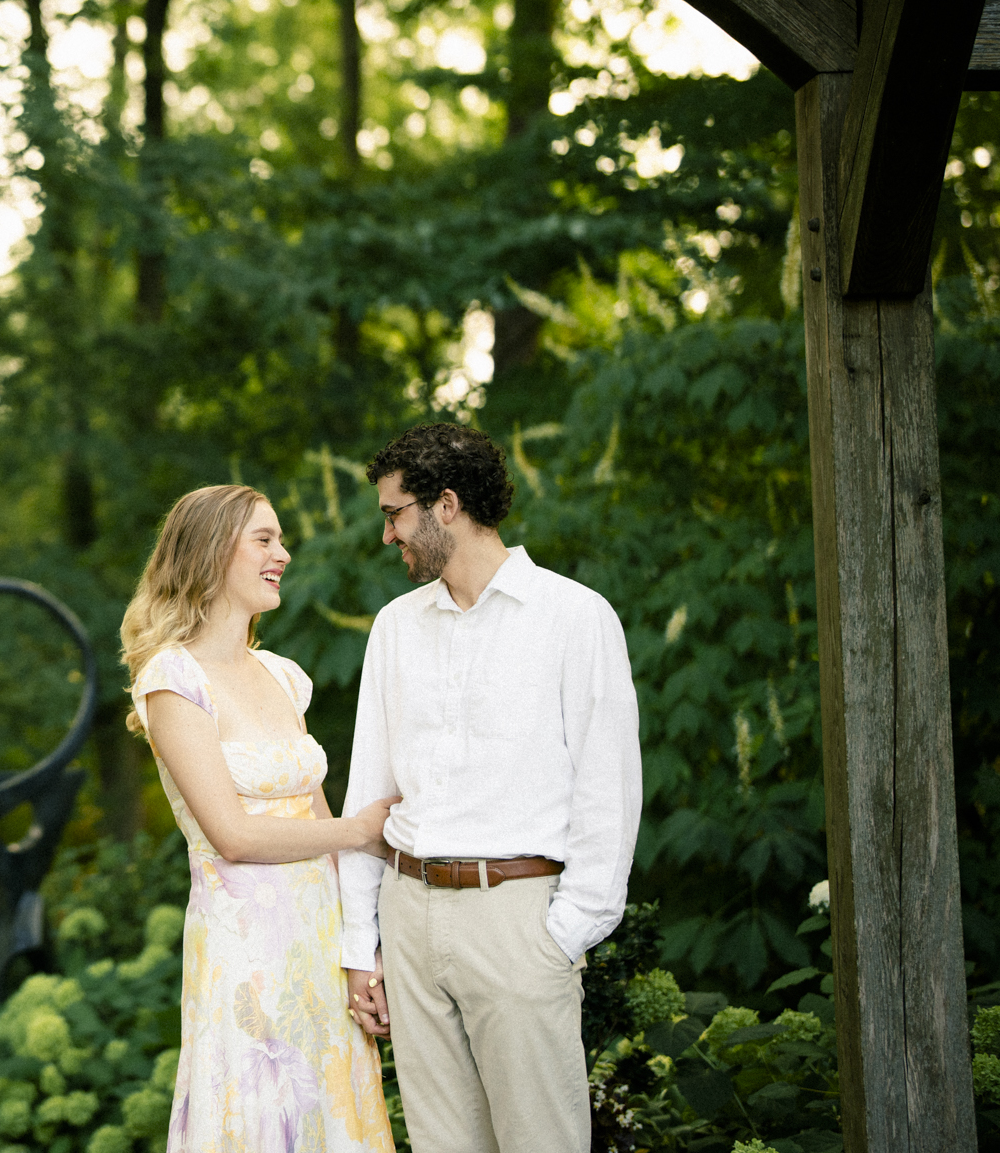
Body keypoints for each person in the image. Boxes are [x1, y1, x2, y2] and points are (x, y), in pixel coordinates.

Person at [337, 424, 641, 1153]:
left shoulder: (574, 617)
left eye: (394, 514)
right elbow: (367, 792)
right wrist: (361, 944)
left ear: (446, 505)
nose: (387, 536)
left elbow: (610, 791)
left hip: (518, 919)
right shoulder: (395, 626)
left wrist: (564, 934)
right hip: (408, 917)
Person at [125, 484, 398, 1153]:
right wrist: (363, 827)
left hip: (321, 943)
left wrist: (362, 953)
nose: (284, 553)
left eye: (280, 539)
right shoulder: (172, 679)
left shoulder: (283, 676)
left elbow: (317, 816)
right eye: (265, 539)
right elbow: (235, 835)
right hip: (246, 957)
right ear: (214, 551)